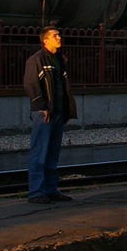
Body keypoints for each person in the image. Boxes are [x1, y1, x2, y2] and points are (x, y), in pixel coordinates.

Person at [22, 27, 77, 204]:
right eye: (55, 35)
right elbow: (31, 85)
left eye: (59, 34)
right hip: (44, 113)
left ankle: (50, 189)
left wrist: (66, 110)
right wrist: (42, 107)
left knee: (52, 153)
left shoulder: (59, 59)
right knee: (40, 152)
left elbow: (63, 86)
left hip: (58, 112)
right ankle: (36, 191)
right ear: (45, 41)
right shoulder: (36, 60)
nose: (59, 37)